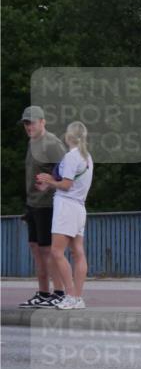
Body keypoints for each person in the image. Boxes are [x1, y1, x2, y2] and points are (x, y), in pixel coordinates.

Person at [34, 122, 93, 310]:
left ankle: (70, 295)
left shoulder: (70, 157)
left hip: (66, 207)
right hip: (79, 207)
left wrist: (49, 180)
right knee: (78, 252)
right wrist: (51, 182)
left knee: (57, 252)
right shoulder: (87, 158)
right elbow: (73, 184)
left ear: (69, 137)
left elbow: (66, 185)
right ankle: (78, 297)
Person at [19, 106, 67, 309]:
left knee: (49, 250)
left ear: (43, 122)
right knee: (36, 248)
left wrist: (52, 183)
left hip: (48, 204)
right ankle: (43, 293)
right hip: (33, 204)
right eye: (26, 123)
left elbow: (67, 170)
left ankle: (59, 292)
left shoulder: (52, 143)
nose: (29, 126)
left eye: (32, 122)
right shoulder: (32, 142)